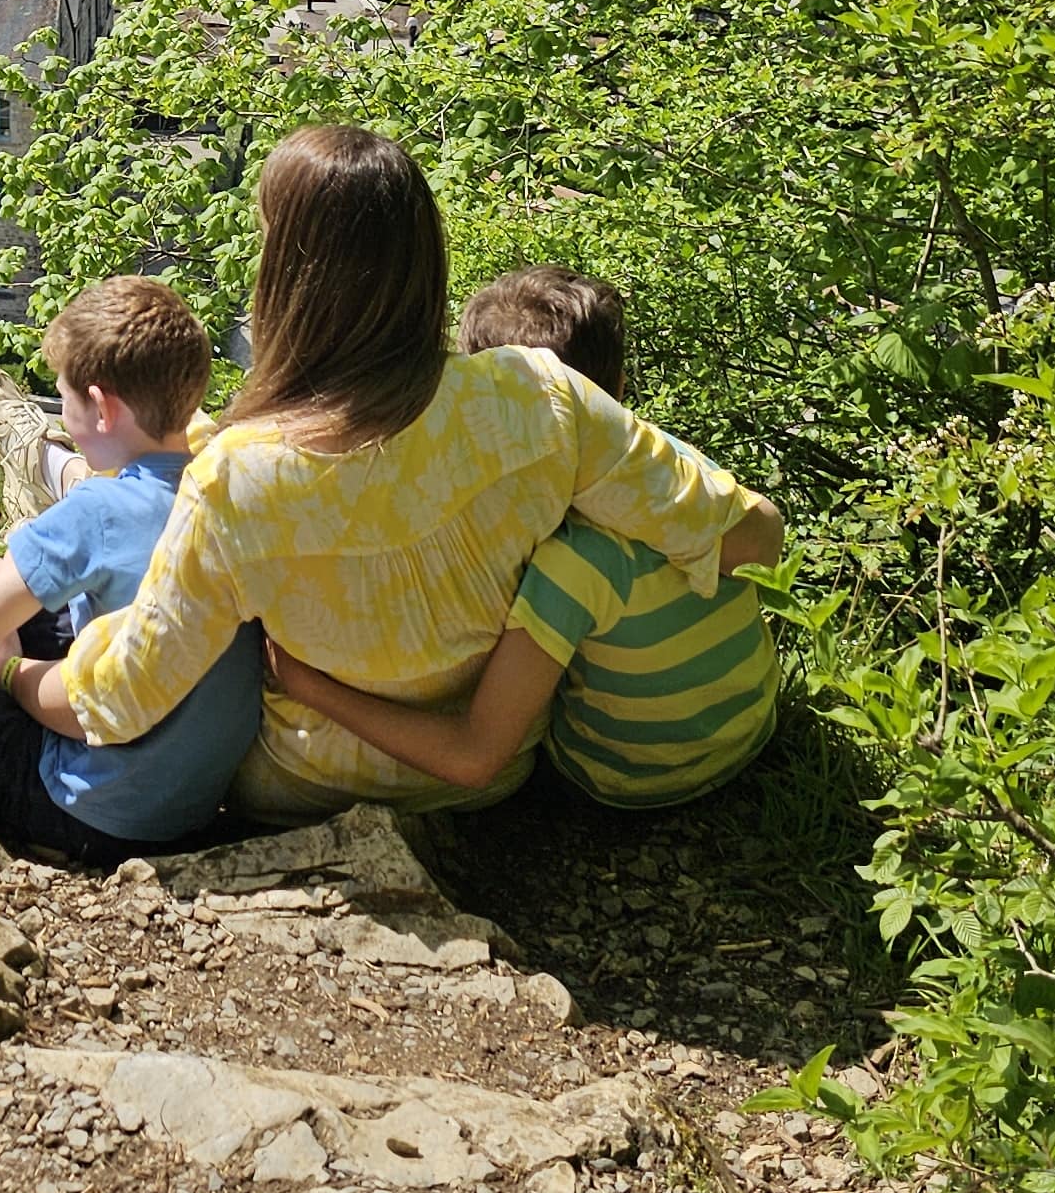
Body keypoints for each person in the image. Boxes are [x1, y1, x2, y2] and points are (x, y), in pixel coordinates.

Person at [59, 127, 783, 820]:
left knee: (142, 540)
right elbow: (753, 538)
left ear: (286, 276)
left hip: (300, 787)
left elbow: (126, 696)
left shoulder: (236, 474)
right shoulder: (537, 396)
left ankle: (58, 489)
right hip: (490, 785)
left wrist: (4, 673)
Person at [265, 269, 781, 810]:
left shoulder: (574, 557)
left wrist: (310, 687)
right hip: (752, 724)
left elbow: (475, 756)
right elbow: (763, 543)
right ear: (619, 388)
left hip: (635, 781)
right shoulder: (666, 465)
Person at [0, 276, 262, 866]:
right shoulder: (220, 488)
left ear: (102, 408)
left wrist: (3, 658)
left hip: (86, 810)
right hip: (184, 804)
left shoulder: (98, 511)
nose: (61, 410)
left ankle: (12, 748)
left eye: (63, 398)